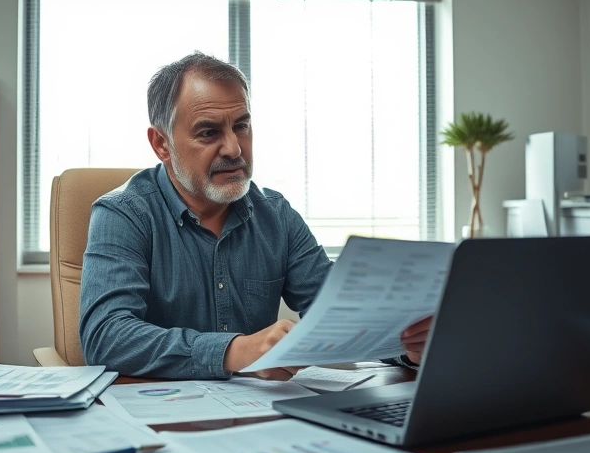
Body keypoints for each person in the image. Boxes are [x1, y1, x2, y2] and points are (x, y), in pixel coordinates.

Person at [78, 52, 431, 379]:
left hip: (262, 415)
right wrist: (234, 351)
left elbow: (338, 316)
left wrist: (406, 346)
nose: (233, 148)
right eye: (208, 132)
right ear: (161, 144)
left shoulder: (276, 215)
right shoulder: (123, 214)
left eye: (241, 126)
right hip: (157, 420)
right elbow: (106, 336)